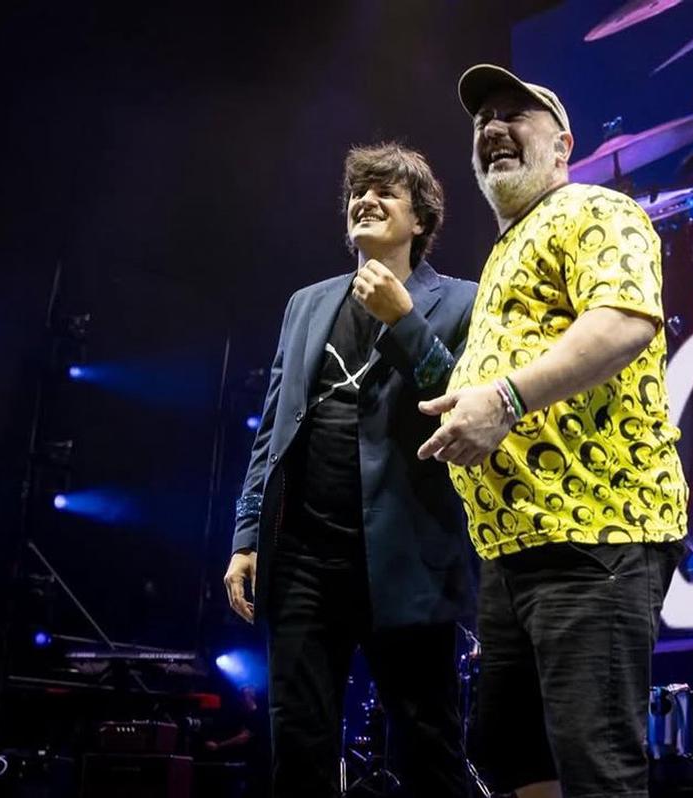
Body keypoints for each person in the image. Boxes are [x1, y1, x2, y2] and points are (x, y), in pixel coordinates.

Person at [417, 65, 689, 797]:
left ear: (564, 145)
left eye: (515, 115)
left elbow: (624, 322)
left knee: (595, 765)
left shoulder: (594, 209)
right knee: (518, 763)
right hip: (516, 550)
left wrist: (504, 399)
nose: (493, 128)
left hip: (594, 533)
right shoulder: (505, 251)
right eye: (483, 121)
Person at [222, 142, 476, 797]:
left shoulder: (462, 301)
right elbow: (273, 430)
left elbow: (462, 403)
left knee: (428, 748)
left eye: (385, 191)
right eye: (358, 192)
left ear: (420, 219)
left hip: (408, 559)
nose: (365, 200)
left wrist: (404, 321)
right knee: (298, 748)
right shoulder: (306, 304)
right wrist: (247, 535)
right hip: (304, 559)